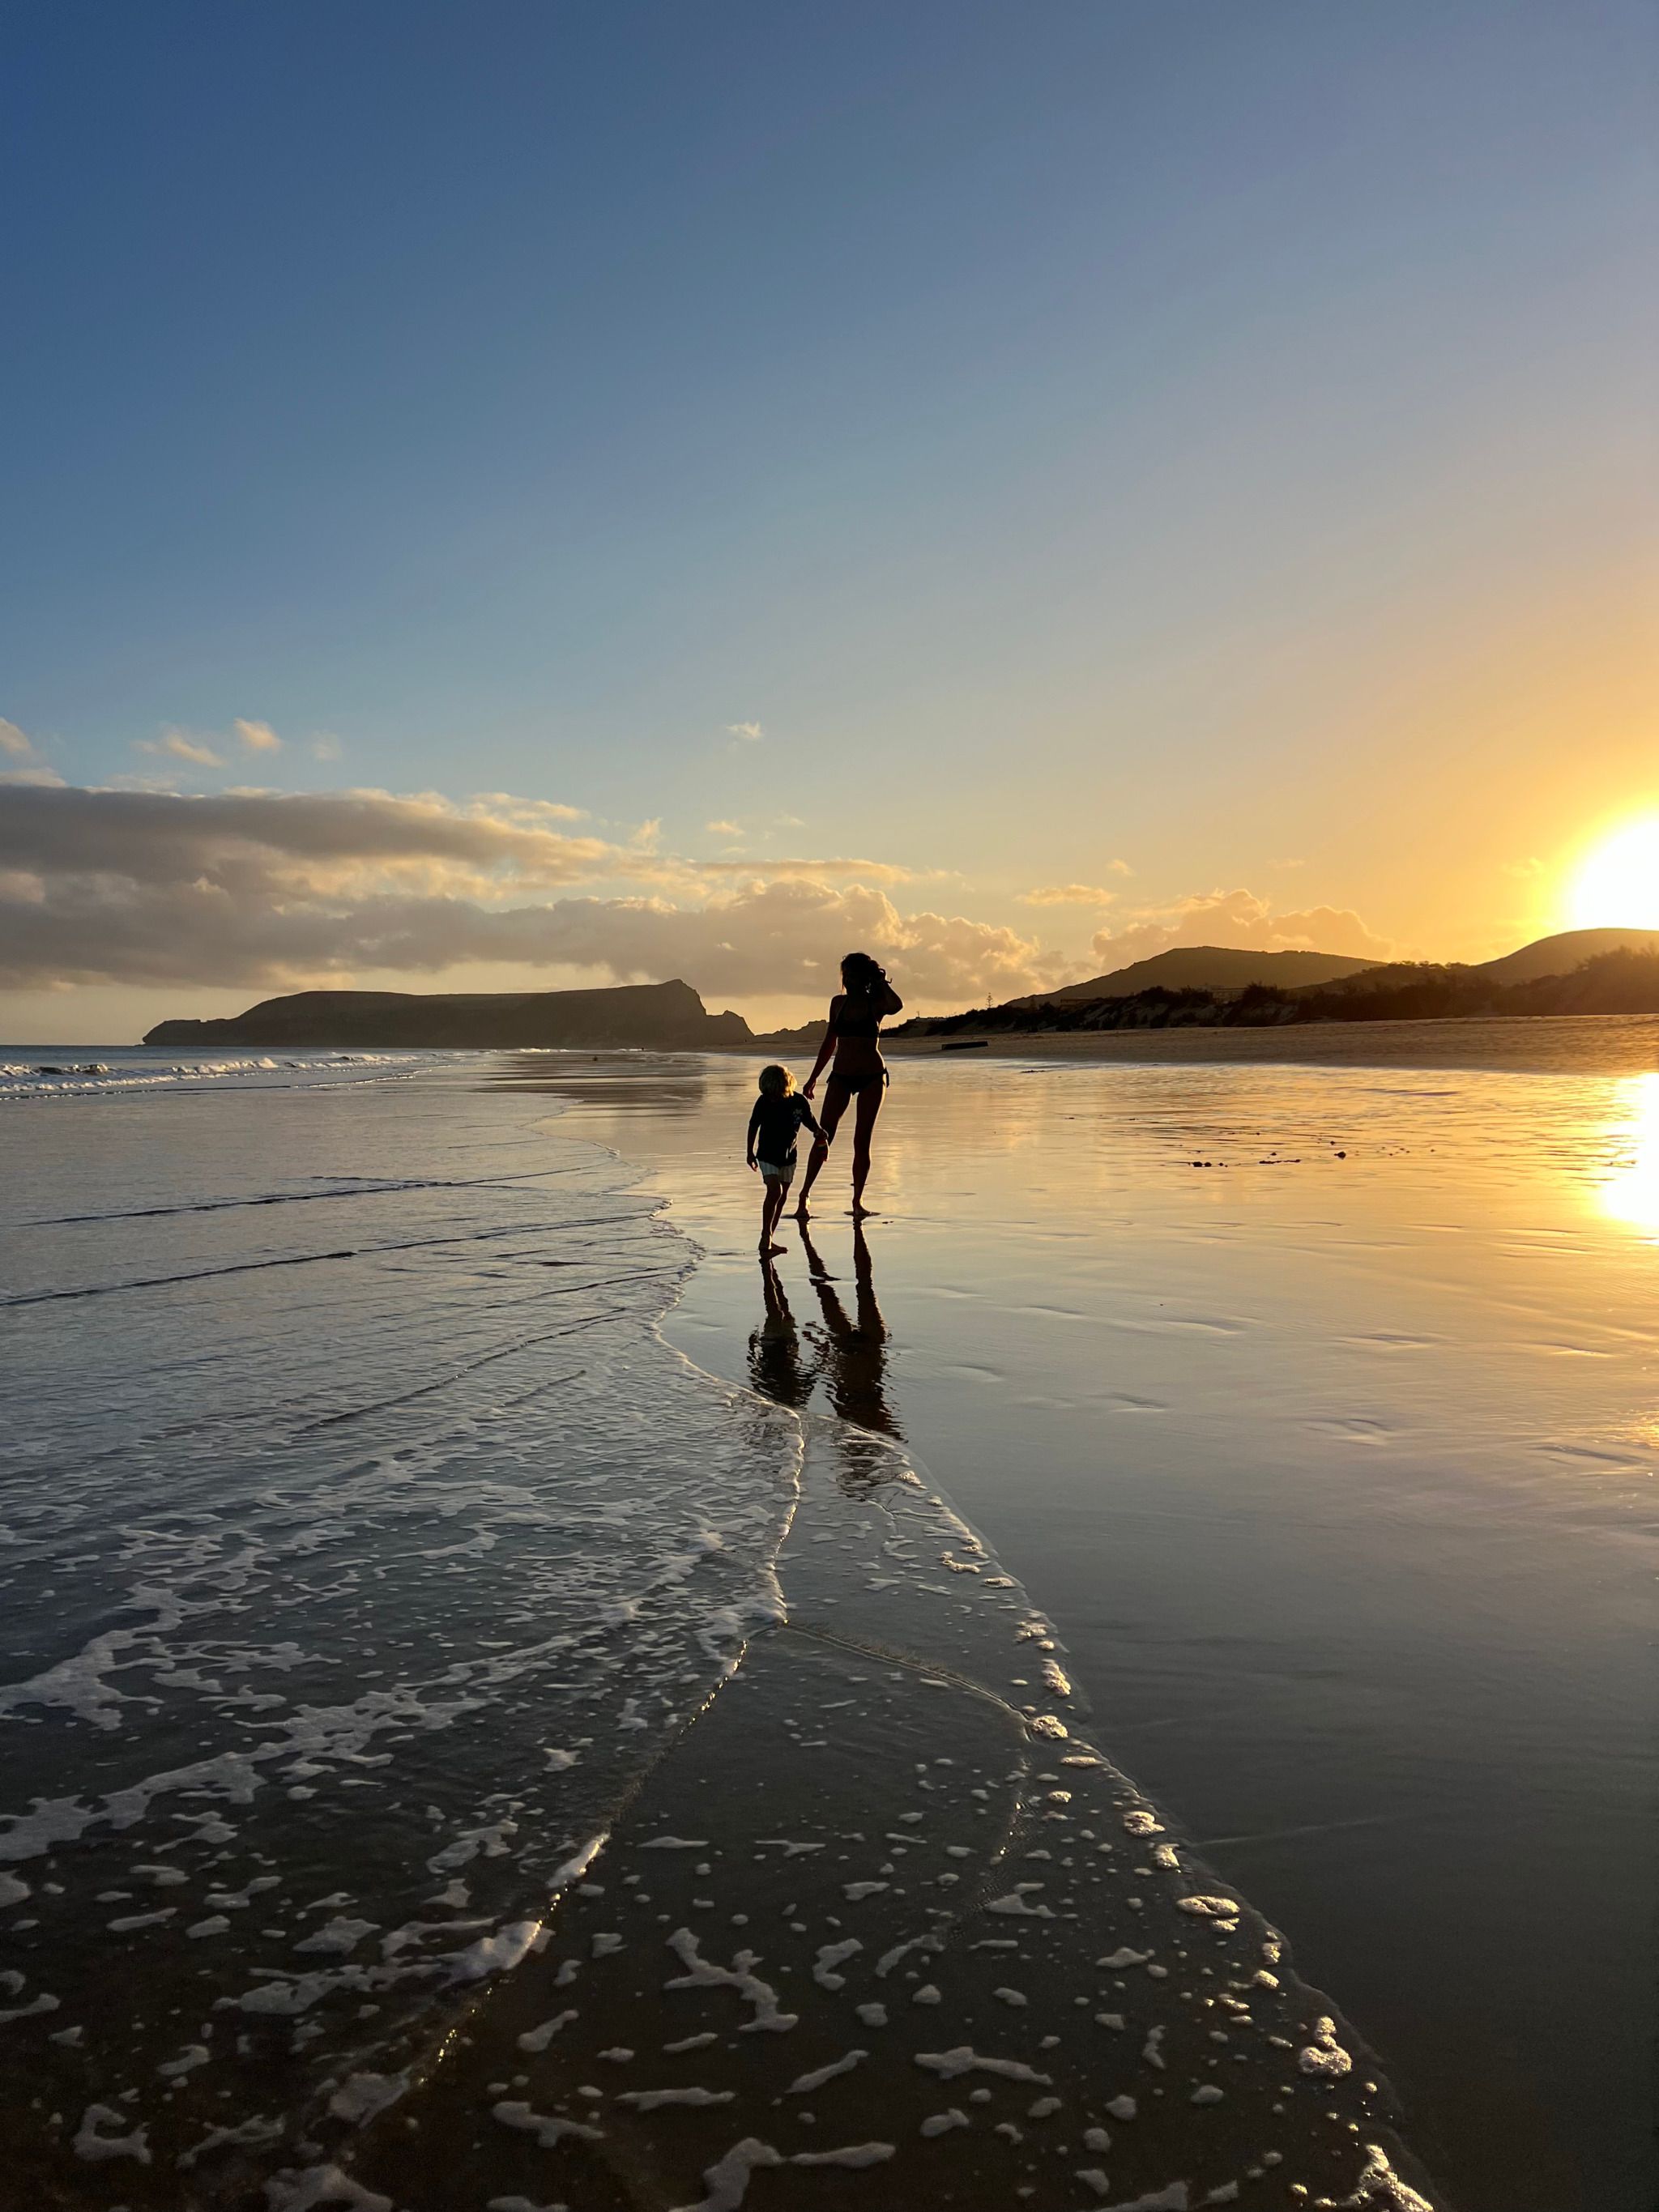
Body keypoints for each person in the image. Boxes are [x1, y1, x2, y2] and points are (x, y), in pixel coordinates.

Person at [793, 952, 903, 1219]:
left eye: (853, 974)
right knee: (823, 1134)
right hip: (841, 1075)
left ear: (863, 976)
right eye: (846, 975)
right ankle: (804, 1196)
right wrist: (813, 1077)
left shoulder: (875, 1002)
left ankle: (857, 1202)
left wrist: (880, 981)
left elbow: (896, 1006)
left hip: (872, 1077)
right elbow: (830, 1041)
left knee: (861, 1140)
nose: (849, 979)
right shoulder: (837, 1003)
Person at [746, 1063, 827, 1254]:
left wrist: (819, 1132)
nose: (771, 1097)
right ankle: (765, 1236)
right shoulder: (763, 1101)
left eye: (774, 1092)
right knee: (775, 1191)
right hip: (767, 1155)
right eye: (768, 1093)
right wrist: (749, 1152)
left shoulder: (798, 1101)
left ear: (785, 1086)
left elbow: (810, 1121)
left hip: (789, 1156)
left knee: (781, 1197)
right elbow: (753, 1125)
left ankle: (770, 1238)